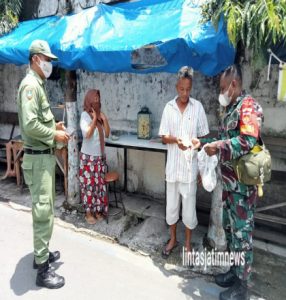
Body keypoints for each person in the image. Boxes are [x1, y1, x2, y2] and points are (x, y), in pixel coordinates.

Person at [192, 65, 263, 300]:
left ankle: (242, 288)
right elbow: (223, 138)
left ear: (233, 84)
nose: (220, 92)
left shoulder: (248, 106)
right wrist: (202, 142)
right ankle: (234, 272)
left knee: (242, 237)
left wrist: (218, 147)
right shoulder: (231, 108)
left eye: (223, 87)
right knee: (232, 233)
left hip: (243, 189)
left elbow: (248, 140)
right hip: (230, 188)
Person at [17, 40, 70, 289]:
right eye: (47, 60)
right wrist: (54, 136)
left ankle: (42, 253)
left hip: (43, 157)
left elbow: (38, 121)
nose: (49, 64)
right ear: (36, 59)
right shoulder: (30, 86)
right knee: (42, 212)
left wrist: (53, 127)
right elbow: (29, 126)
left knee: (46, 210)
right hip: (38, 159)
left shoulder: (37, 84)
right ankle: (42, 270)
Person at [159, 66, 209, 258]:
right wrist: (175, 140)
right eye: (182, 89)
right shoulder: (168, 108)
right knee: (171, 209)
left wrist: (198, 143)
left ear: (191, 87)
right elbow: (163, 136)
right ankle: (173, 239)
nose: (185, 93)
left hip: (190, 169)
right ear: (176, 86)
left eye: (188, 89)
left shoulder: (198, 108)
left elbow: (204, 139)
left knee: (188, 211)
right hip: (173, 169)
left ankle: (187, 243)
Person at [79, 89, 110, 225]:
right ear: (89, 100)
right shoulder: (85, 116)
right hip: (88, 158)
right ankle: (88, 213)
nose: (97, 101)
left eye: (98, 99)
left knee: (98, 186)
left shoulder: (100, 116)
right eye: (94, 99)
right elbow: (87, 134)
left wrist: (104, 119)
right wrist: (93, 119)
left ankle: (98, 210)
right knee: (88, 187)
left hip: (99, 157)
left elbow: (107, 134)